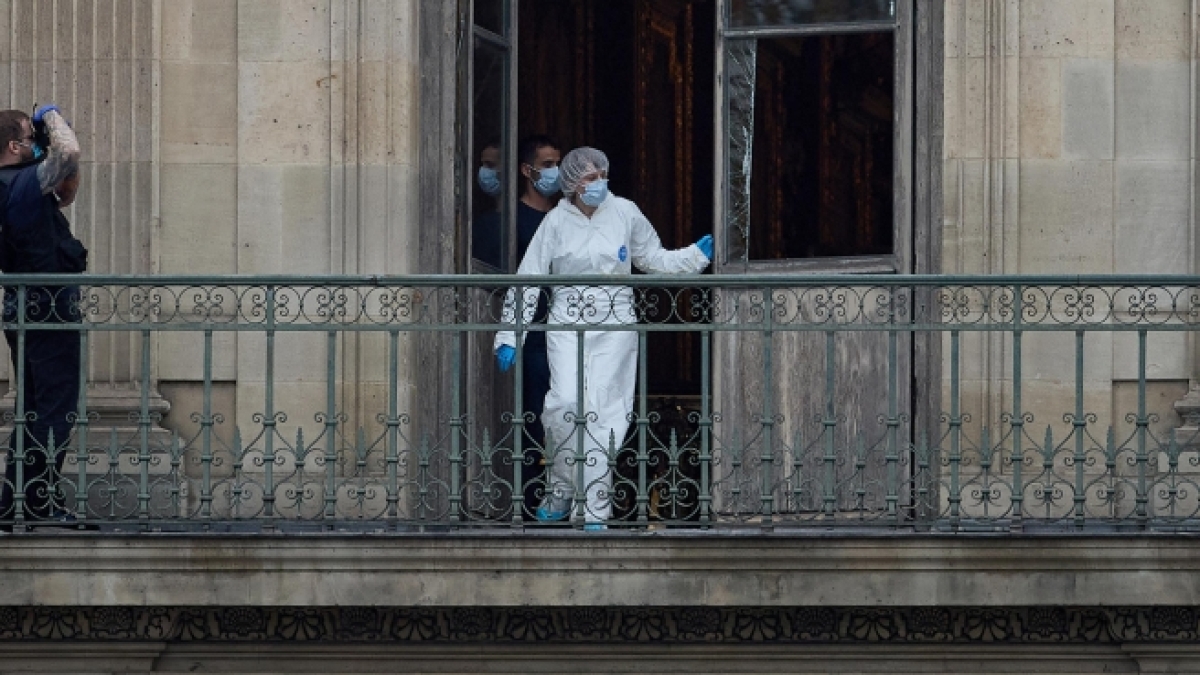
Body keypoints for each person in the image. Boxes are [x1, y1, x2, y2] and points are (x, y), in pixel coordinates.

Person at [493, 147, 714, 530]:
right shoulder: (556, 221)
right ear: (571, 182)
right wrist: (510, 334)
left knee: (606, 414)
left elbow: (653, 259)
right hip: (567, 321)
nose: (597, 183)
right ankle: (561, 488)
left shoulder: (625, 211)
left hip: (615, 323)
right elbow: (529, 277)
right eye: (589, 177)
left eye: (601, 175)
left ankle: (594, 508)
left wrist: (693, 257)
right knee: (564, 404)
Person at [0, 105, 87, 525]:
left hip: (21, 308)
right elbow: (69, 153)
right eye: (29, 138)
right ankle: (39, 503)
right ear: (15, 146)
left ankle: (15, 498)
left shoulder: (11, 185)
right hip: (49, 307)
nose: (38, 144)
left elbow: (67, 190)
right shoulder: (23, 183)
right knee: (54, 408)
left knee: (33, 408)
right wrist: (49, 117)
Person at [512, 134, 561, 516]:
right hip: (532, 335)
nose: (554, 172)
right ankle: (529, 501)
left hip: (568, 330)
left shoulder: (567, 217)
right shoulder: (512, 222)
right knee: (532, 418)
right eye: (547, 164)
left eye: (558, 163)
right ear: (527, 171)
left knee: (570, 416)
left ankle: (568, 500)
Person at [471, 140, 503, 268]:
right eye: (482, 164)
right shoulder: (482, 221)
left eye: (490, 165)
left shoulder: (519, 219)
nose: (484, 171)